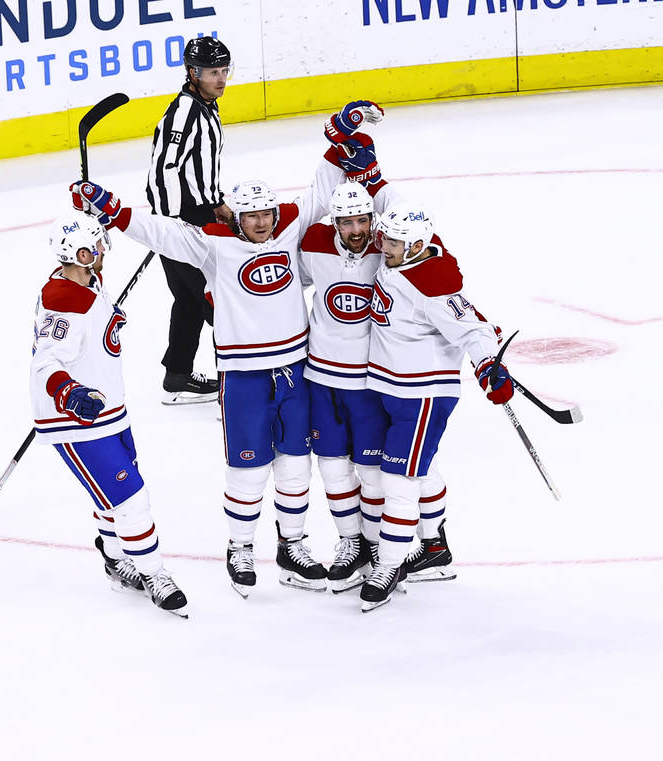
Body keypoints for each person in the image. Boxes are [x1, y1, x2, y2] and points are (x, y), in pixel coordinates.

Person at [69, 101, 382, 599]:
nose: (261, 222)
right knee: (248, 468)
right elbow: (161, 231)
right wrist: (111, 207)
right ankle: (240, 548)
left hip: (295, 370)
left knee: (295, 464)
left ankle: (292, 546)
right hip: (243, 378)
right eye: (251, 215)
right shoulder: (213, 244)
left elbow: (321, 191)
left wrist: (340, 134)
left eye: (266, 213)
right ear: (236, 215)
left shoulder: (288, 226)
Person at [298, 174, 458, 593]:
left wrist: (375, 178)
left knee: (380, 473)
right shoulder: (314, 243)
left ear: (374, 219)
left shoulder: (389, 249)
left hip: (372, 382)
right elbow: (281, 274)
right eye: (346, 222)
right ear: (333, 221)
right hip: (321, 376)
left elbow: (429, 247)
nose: (356, 230)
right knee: (333, 468)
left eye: (363, 220)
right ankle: (353, 543)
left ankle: (381, 549)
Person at [355, 201, 512, 612]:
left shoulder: (432, 284)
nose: (382, 246)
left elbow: (474, 328)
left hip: (421, 394)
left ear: (415, 246)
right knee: (422, 469)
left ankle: (389, 565)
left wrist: (488, 365)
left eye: (393, 242)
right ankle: (435, 550)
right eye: (385, 238)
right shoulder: (404, 256)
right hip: (388, 385)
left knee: (399, 480)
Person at [30, 212, 188, 617]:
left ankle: (117, 560)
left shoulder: (86, 281)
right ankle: (154, 574)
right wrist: (68, 392)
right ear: (82, 254)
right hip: (77, 420)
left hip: (110, 410)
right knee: (132, 499)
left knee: (111, 497)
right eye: (97, 245)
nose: (104, 249)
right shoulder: (64, 300)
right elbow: (46, 362)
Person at [146, 35, 232, 404]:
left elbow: (198, 169)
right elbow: (163, 169)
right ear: (193, 73)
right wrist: (171, 224)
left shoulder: (206, 105)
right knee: (218, 303)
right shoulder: (184, 112)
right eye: (213, 72)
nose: (221, 78)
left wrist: (217, 203)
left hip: (198, 216)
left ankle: (178, 376)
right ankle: (235, 386)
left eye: (224, 70)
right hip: (182, 222)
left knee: (189, 300)